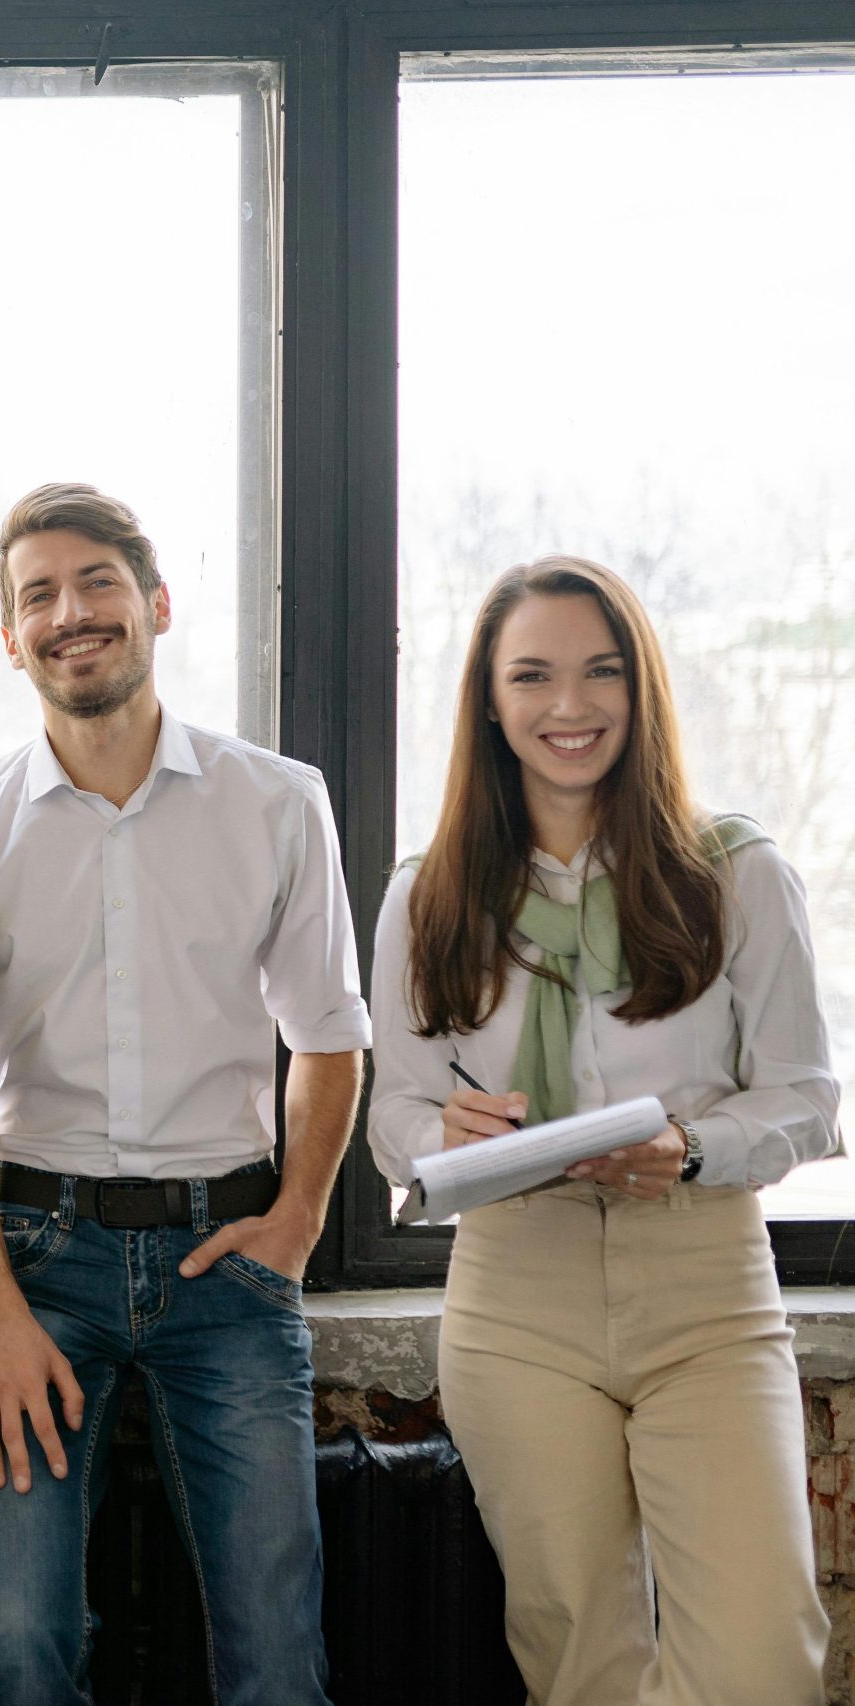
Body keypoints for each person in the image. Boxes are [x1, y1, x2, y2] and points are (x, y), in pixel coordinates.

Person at [0, 482, 368, 1705]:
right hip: (35, 1261)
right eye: (37, 595)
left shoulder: (277, 802)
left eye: (97, 582)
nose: (70, 613)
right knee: (21, 1641)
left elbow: (329, 1035)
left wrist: (292, 1227)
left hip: (224, 1266)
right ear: (8, 636)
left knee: (277, 1651)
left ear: (157, 604)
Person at [368, 554, 834, 1705]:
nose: (567, 706)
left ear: (640, 688)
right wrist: (446, 1133)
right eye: (531, 675)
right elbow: (395, 1108)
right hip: (516, 1291)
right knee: (577, 1661)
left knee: (762, 1659)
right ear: (489, 698)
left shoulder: (733, 872)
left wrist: (689, 1146)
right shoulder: (427, 892)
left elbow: (806, 1096)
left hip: (703, 1282)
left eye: (599, 672)